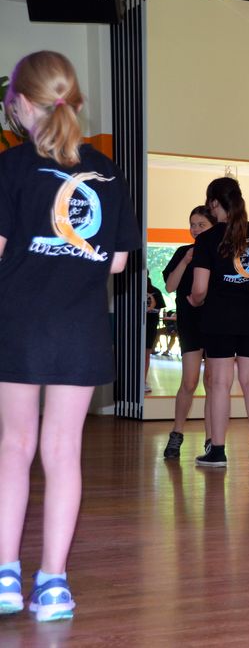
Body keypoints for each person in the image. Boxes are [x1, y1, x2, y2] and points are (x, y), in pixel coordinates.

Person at [0, 51, 140, 621]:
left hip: (19, 325)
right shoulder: (107, 171)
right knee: (64, 452)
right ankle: (54, 583)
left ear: (20, 104)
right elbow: (117, 262)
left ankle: (5, 578)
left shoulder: (9, 167)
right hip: (81, 329)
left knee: (13, 448)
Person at [189, 177, 249, 470]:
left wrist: (195, 301)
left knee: (220, 384)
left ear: (214, 203)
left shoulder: (207, 239)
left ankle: (217, 451)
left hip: (220, 318)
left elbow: (200, 288)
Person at [161, 205, 216, 460]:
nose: (195, 229)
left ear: (213, 227)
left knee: (213, 383)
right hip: (190, 324)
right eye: (192, 224)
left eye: (201, 225)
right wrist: (185, 260)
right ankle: (177, 433)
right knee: (189, 382)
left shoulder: (221, 254)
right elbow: (170, 286)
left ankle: (212, 440)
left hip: (216, 324)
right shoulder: (183, 252)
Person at [144, 272, 166, 393]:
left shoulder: (155, 291)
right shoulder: (133, 289)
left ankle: (143, 381)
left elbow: (158, 309)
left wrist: (149, 307)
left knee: (146, 354)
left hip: (150, 326)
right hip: (136, 325)